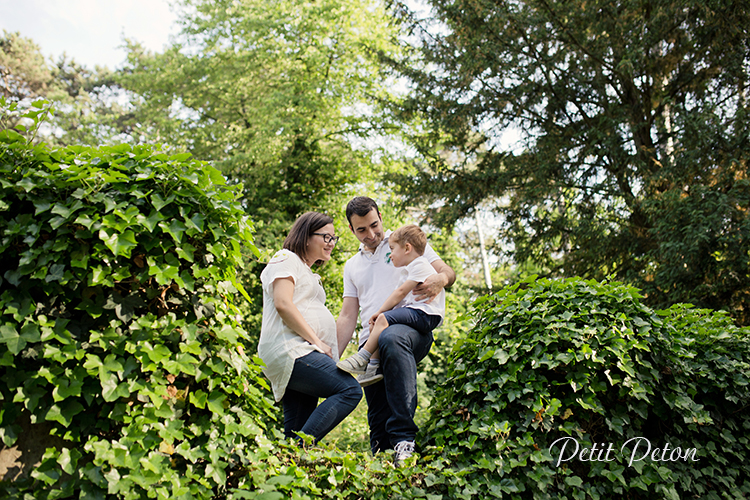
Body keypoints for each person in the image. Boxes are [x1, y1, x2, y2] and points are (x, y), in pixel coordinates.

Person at [336, 197, 456, 464]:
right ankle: (382, 463)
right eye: (362, 230)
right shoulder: (352, 265)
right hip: (371, 344)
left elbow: (446, 270)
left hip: (411, 328)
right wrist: (332, 355)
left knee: (391, 335)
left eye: (374, 225)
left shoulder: (404, 243)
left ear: (380, 215)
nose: (371, 234)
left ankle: (404, 439)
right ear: (351, 230)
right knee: (377, 415)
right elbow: (347, 315)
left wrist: (441, 279)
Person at [258, 211, 362, 445]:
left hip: (301, 352)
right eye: (326, 237)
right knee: (350, 391)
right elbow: (283, 303)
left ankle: (288, 467)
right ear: (306, 236)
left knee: (295, 429)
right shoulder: (285, 258)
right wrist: (316, 340)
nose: (331, 243)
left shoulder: (308, 273)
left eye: (334, 238)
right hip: (292, 349)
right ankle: (301, 450)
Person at [336, 224, 445, 388]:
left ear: (407, 248)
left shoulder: (419, 265)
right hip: (417, 313)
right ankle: (372, 365)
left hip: (425, 314)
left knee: (383, 318)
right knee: (381, 321)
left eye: (392, 249)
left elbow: (400, 293)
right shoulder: (408, 269)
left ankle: (362, 357)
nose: (390, 254)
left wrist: (380, 312)